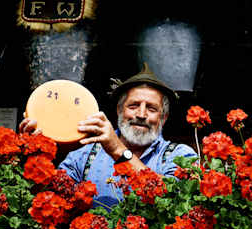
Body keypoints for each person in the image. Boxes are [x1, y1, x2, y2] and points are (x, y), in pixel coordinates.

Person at [20, 63, 196, 208]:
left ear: (163, 118)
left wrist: (117, 149)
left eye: (151, 109)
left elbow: (174, 203)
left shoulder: (180, 156)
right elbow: (48, 202)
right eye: (133, 106)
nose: (141, 114)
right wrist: (36, 157)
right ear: (119, 110)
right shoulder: (83, 156)